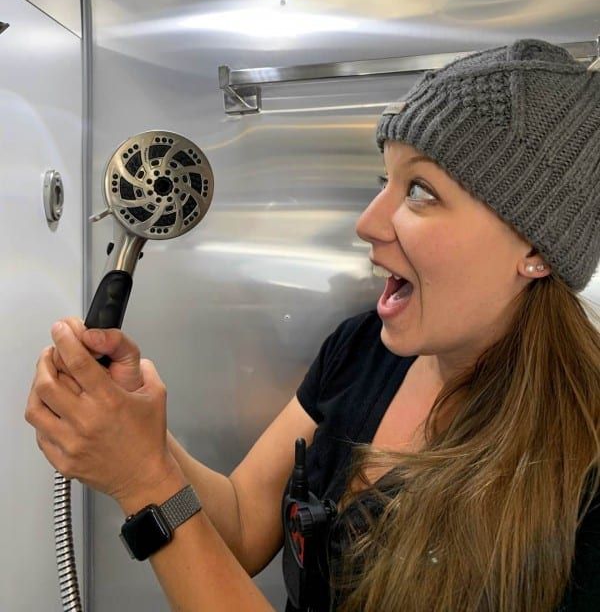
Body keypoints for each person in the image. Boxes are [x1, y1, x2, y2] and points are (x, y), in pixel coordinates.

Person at [25, 38, 600, 612]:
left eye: (420, 191)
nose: (368, 223)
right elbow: (245, 524)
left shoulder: (586, 473)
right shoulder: (362, 349)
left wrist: (144, 481)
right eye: (385, 183)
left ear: (536, 249)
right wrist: (134, 434)